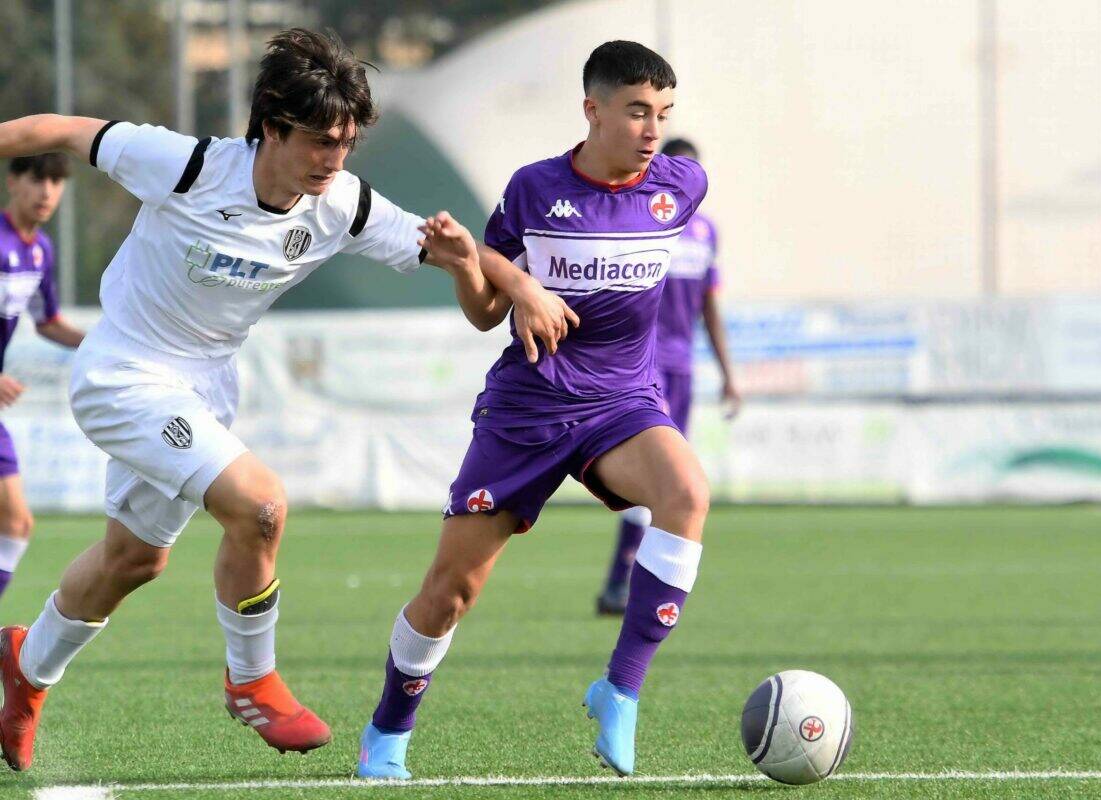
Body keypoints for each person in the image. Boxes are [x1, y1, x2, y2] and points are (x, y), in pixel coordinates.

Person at [0, 28, 573, 772]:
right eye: (319, 141)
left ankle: (24, 667)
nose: (334, 160)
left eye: (346, 144)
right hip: (124, 373)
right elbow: (59, 131)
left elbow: (450, 255)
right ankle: (252, 682)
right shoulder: (189, 165)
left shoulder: (341, 204)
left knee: (132, 561)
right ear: (271, 125)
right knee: (260, 504)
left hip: (205, 386)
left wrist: (513, 281)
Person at [358, 40, 708, 780]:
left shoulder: (682, 188)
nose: (652, 129)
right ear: (593, 110)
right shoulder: (534, 189)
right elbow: (484, 311)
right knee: (451, 593)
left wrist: (515, 280)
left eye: (664, 114)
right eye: (637, 111)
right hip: (530, 410)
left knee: (687, 495)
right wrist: (489, 273)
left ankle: (621, 688)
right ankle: (389, 730)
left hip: (622, 402)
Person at [596, 137, 739, 615]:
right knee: (657, 479)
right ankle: (622, 583)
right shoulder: (645, 224)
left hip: (682, 370)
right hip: (641, 367)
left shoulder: (706, 233)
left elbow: (710, 307)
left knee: (674, 484)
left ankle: (629, 585)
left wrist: (727, 373)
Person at [0, 154, 87, 605]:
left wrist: (102, 345)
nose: (48, 191)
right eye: (38, 179)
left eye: (57, 181)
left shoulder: (39, 250)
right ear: (13, 181)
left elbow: (48, 321)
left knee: (15, 524)